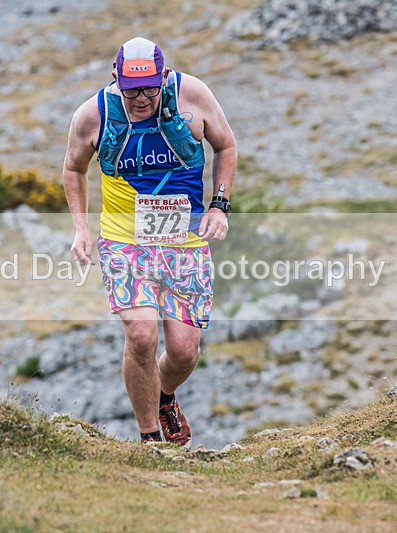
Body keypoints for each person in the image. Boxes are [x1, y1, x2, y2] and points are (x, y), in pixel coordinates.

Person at [62, 37, 237, 447]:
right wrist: (81, 228)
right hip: (126, 241)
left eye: (149, 88)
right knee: (141, 334)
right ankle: (150, 441)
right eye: (130, 89)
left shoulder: (194, 96)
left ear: (163, 78)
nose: (141, 99)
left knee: (183, 353)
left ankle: (164, 397)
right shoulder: (92, 115)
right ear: (115, 80)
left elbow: (225, 146)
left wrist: (219, 206)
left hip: (185, 241)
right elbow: (73, 169)